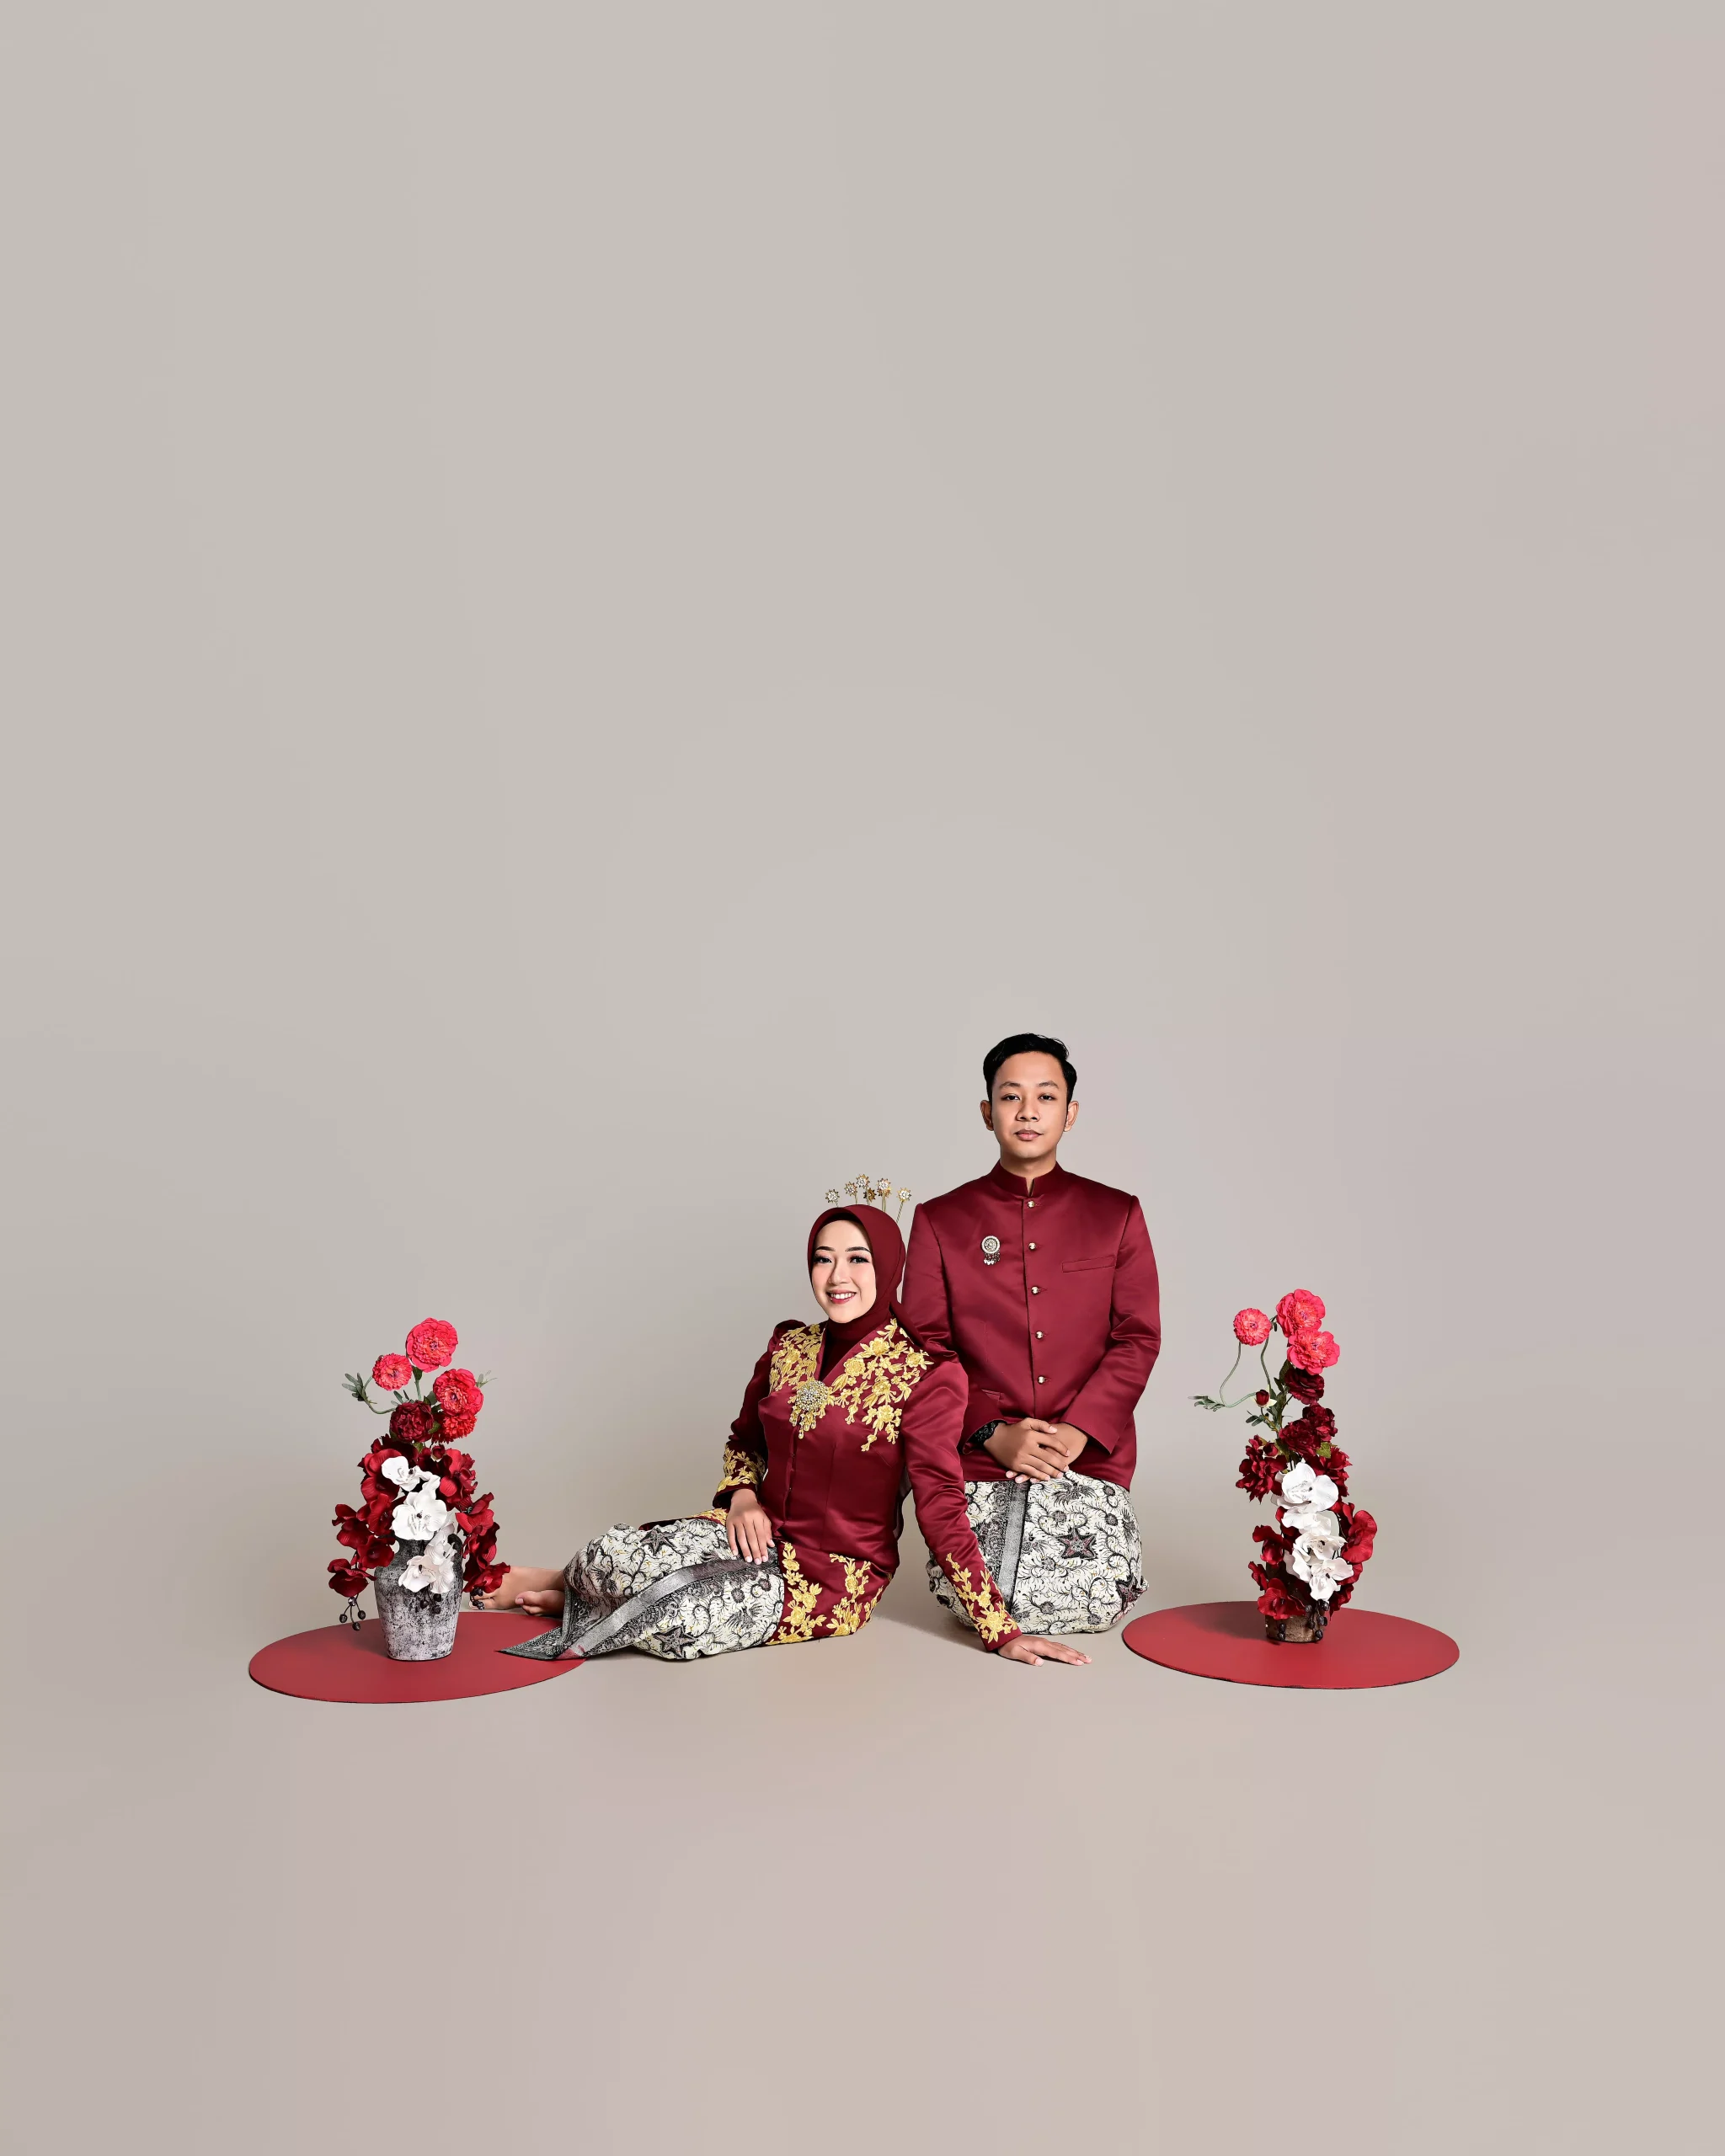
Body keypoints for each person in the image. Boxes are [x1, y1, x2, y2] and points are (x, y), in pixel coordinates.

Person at [483, 1200, 1087, 1667]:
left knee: (683, 1620)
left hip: (837, 1576)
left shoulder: (926, 1375)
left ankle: (580, 1600)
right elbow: (744, 1442)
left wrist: (1000, 1630)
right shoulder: (789, 1346)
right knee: (614, 1553)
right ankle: (572, 1584)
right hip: (753, 1534)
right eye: (823, 1258)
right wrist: (743, 1498)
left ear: (889, 1267)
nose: (837, 1275)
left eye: (858, 1259)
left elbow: (941, 1507)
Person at [900, 1033, 1161, 1636]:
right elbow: (925, 1348)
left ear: (1070, 1114)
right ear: (986, 1112)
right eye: (1010, 1096)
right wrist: (993, 1432)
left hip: (1089, 1454)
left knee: (1093, 1594)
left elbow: (1138, 1338)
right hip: (978, 1454)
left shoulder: (1116, 1213)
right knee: (982, 1597)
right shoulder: (940, 1220)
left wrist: (1076, 1432)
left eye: (1046, 1096)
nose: (1027, 1111)